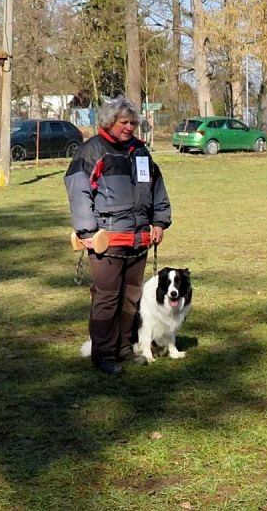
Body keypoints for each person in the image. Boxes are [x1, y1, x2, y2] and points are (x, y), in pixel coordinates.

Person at [64, 97, 172, 376]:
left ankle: (125, 348)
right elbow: (78, 192)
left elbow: (156, 186)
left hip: (138, 241)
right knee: (107, 298)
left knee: (131, 298)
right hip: (106, 241)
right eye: (124, 122)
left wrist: (159, 221)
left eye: (133, 123)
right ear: (108, 122)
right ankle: (104, 354)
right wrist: (88, 231)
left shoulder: (140, 152)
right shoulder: (91, 151)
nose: (129, 127)